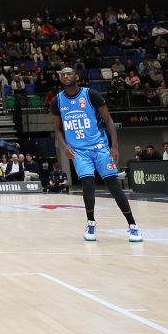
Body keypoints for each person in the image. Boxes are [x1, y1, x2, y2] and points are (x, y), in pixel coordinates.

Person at [49, 66, 141, 242]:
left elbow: (108, 120)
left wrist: (114, 146)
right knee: (88, 184)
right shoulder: (57, 101)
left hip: (100, 147)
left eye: (69, 73)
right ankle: (91, 223)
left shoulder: (91, 95)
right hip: (79, 151)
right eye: (62, 74)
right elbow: (58, 130)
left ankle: (133, 226)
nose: (66, 76)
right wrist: (65, 147)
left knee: (113, 185)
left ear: (76, 75)